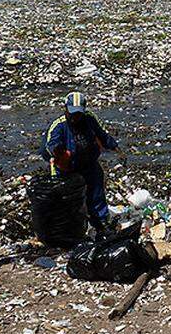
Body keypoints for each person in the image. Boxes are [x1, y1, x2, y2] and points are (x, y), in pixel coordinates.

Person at [42, 92, 121, 234]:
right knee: (68, 199)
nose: (75, 117)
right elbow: (50, 146)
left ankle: (101, 223)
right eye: (72, 113)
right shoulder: (59, 126)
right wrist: (59, 151)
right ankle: (72, 228)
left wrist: (114, 146)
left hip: (88, 163)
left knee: (96, 192)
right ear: (65, 109)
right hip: (67, 168)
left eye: (78, 114)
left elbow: (101, 134)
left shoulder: (89, 119)